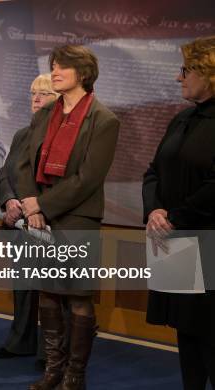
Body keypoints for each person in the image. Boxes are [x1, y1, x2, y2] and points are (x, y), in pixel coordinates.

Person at [15, 45, 120, 389]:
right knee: (47, 293)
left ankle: (75, 375)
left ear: (84, 74)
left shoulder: (104, 120)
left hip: (78, 218)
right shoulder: (45, 113)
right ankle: (53, 371)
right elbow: (23, 162)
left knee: (77, 297)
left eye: (62, 67)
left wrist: (42, 207)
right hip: (39, 213)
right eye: (54, 66)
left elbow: (88, 178)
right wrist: (31, 201)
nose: (55, 72)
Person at [143, 35, 215, 390]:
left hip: (207, 241)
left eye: (186, 70)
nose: (178, 77)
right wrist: (155, 210)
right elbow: (153, 171)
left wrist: (174, 216)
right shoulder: (181, 119)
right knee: (185, 332)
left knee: (210, 335)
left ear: (209, 72)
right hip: (174, 239)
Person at [0, 74, 59, 370]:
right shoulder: (22, 134)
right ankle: (20, 341)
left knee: (51, 290)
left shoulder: (64, 137)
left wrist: (37, 207)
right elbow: (5, 174)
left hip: (49, 224)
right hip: (19, 222)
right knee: (23, 286)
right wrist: (10, 201)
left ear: (58, 99)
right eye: (33, 93)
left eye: (43, 94)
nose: (35, 99)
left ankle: (50, 352)